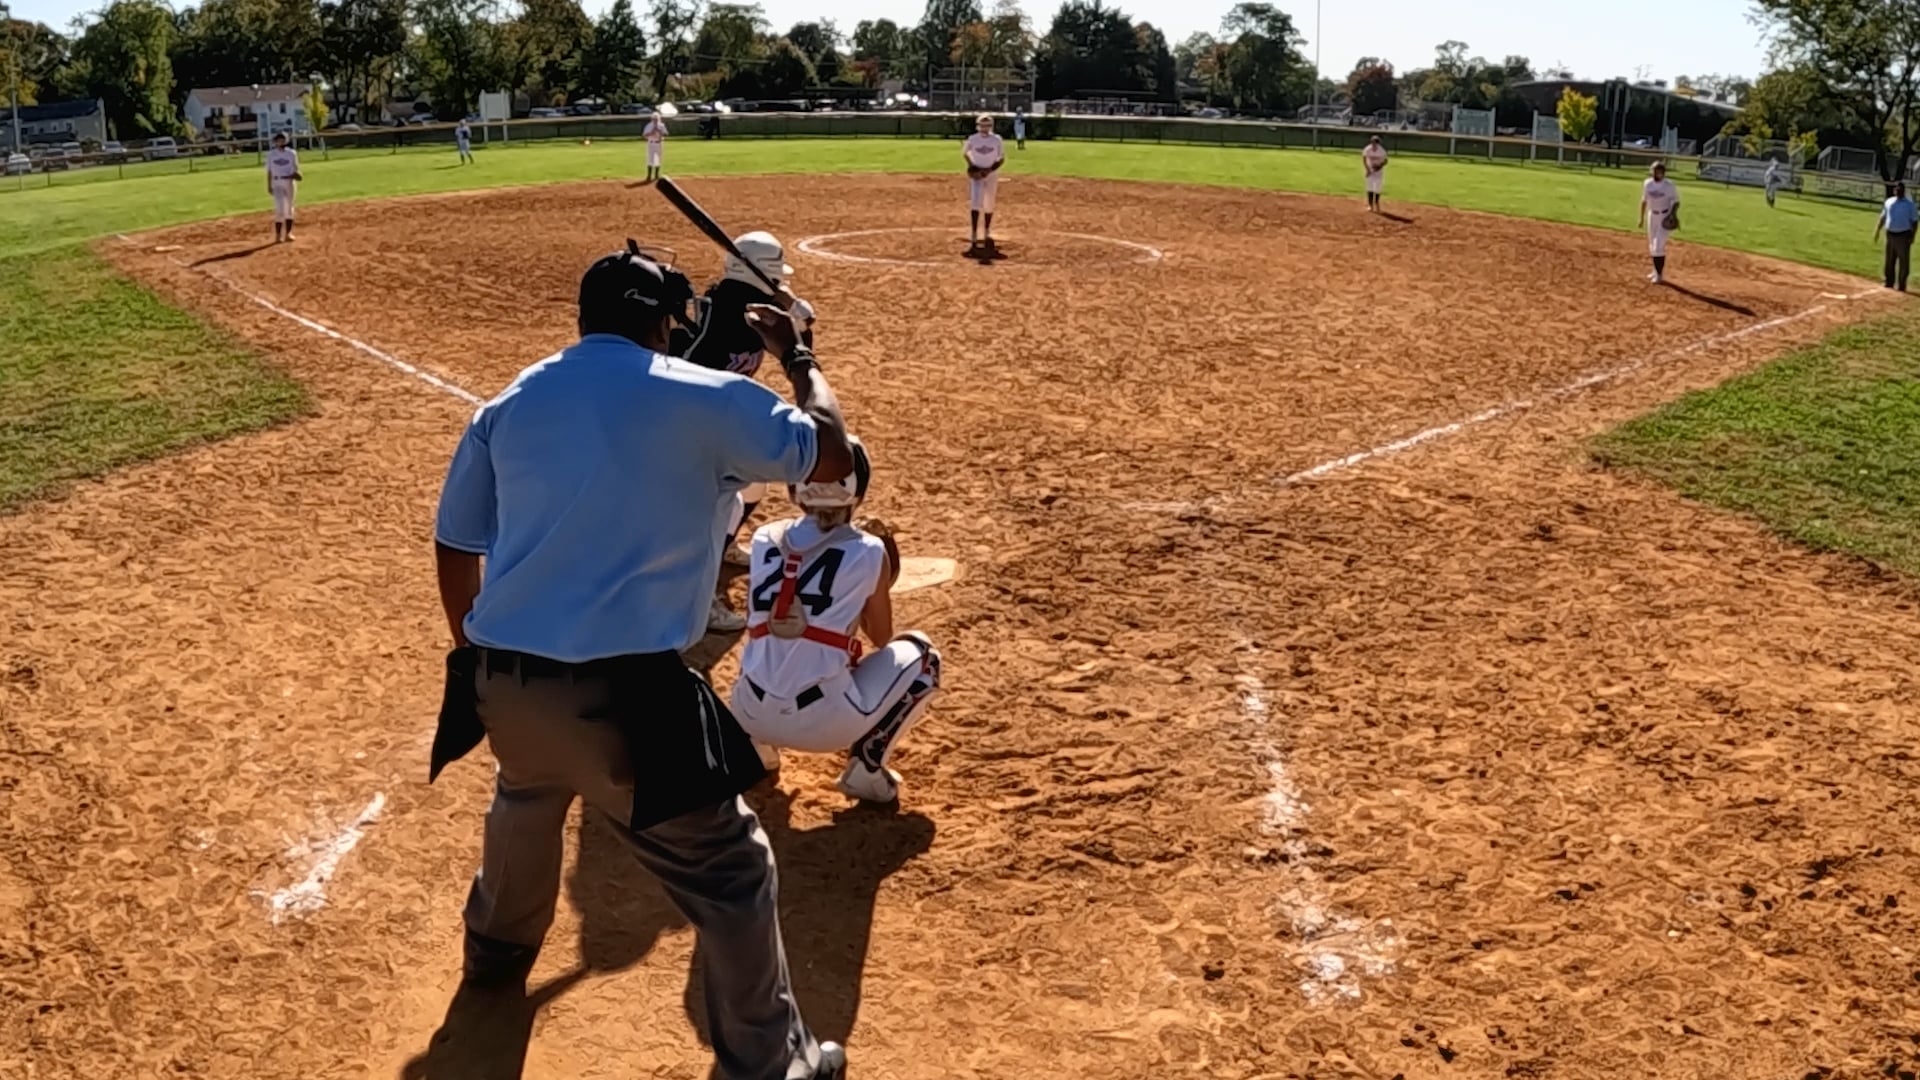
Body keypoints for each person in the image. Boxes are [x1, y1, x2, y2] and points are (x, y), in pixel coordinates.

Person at [428, 242, 854, 1079]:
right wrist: (799, 356)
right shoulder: (705, 394)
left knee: (526, 795)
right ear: (664, 323)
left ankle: (494, 955)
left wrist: (472, 652)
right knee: (733, 872)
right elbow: (832, 455)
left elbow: (455, 541)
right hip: (625, 697)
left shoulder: (512, 399)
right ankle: (771, 1067)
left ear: (584, 318)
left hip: (503, 679)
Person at [731, 437, 942, 803]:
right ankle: (866, 769)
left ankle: (756, 747)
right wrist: (868, 588)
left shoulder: (765, 537)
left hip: (747, 710)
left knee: (764, 642)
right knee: (924, 657)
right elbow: (881, 637)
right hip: (824, 725)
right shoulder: (869, 549)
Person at [669, 231, 819, 632]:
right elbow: (802, 342)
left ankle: (725, 545)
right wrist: (795, 313)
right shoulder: (729, 313)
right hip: (691, 427)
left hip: (720, 421)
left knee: (753, 487)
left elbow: (800, 339)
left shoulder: (749, 305)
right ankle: (701, 598)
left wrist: (794, 310)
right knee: (722, 507)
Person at [962, 114, 1005, 254]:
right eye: (982, 125)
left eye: (987, 125)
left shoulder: (997, 139)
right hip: (977, 175)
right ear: (978, 126)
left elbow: (1001, 158)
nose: (984, 128)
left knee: (989, 203)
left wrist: (989, 170)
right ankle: (974, 232)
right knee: (975, 202)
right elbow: (965, 153)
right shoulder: (973, 139)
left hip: (991, 175)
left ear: (991, 126)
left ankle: (987, 230)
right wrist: (972, 166)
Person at [1637, 160, 1680, 284]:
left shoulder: (1669, 185)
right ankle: (1655, 270)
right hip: (1652, 215)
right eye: (1656, 171)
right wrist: (1641, 218)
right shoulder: (1647, 183)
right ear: (1652, 172)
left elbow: (1676, 201)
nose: (1658, 174)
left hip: (1664, 216)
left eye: (1660, 172)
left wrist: (1673, 214)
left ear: (1664, 173)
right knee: (1652, 245)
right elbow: (1644, 200)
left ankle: (1659, 275)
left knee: (1658, 245)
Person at [1875, 180, 1916, 292]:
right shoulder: (1889, 202)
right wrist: (1878, 229)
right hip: (1890, 234)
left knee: (1903, 261)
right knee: (1889, 259)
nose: (1898, 191)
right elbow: (1883, 216)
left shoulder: (1909, 205)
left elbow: (1914, 221)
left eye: (1900, 189)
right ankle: (1889, 281)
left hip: (1903, 235)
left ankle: (1902, 284)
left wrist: (1913, 236)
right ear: (1894, 190)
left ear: (1903, 191)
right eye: (1896, 189)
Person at [264, 132, 302, 244]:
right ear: (275, 142)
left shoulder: (292, 153)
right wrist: (269, 185)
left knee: (289, 208)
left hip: (289, 182)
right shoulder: (271, 154)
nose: (281, 142)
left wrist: (297, 174)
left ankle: (288, 233)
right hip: (276, 183)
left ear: (287, 141)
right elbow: (269, 171)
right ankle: (278, 235)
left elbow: (296, 168)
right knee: (280, 208)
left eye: (283, 140)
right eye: (279, 140)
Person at [1361, 135, 1388, 213]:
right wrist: (1367, 170)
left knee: (1377, 188)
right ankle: (1370, 205)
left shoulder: (1382, 151)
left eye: (1375, 143)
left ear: (1378, 143)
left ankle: (1376, 203)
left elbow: (1385, 161)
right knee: (1369, 187)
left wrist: (1379, 166)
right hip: (1369, 170)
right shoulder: (1367, 149)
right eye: (1372, 142)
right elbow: (1364, 159)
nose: (1373, 144)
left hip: (1378, 172)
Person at [643, 110, 668, 183]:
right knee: (650, 159)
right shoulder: (648, 125)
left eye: (657, 119)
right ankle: (649, 175)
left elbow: (666, 134)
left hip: (659, 143)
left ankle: (656, 175)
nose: (655, 120)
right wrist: (651, 132)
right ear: (652, 119)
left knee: (658, 158)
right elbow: (644, 135)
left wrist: (660, 131)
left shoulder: (661, 125)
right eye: (654, 119)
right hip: (651, 143)